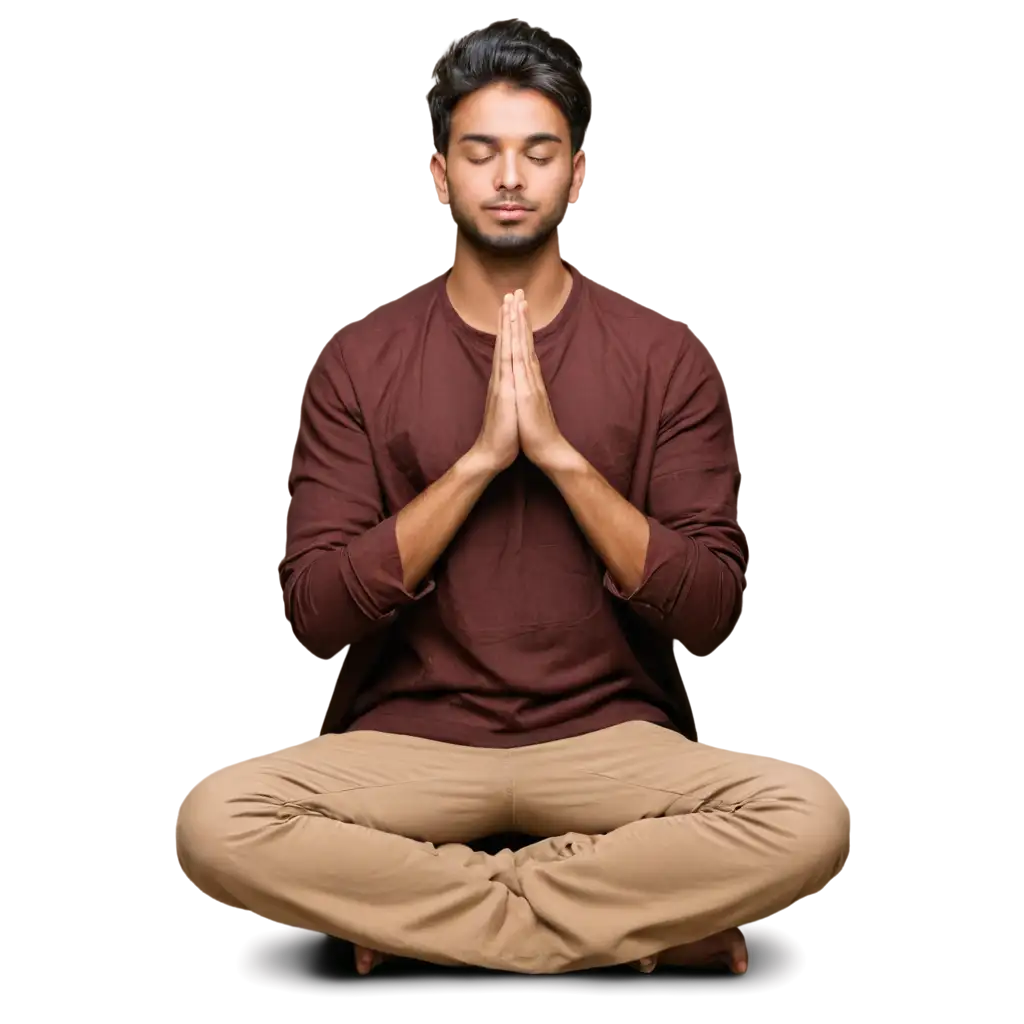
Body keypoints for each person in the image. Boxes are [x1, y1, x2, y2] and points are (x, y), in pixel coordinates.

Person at [171, 17, 852, 979]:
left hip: (609, 740)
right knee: (215, 818)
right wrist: (482, 463)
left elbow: (709, 608)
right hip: (414, 743)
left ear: (579, 175)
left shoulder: (662, 359)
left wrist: (564, 463)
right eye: (480, 151)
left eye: (538, 152)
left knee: (808, 817)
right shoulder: (360, 361)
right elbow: (317, 609)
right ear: (437, 175)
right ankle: (625, 924)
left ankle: (421, 915)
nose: (508, 177)